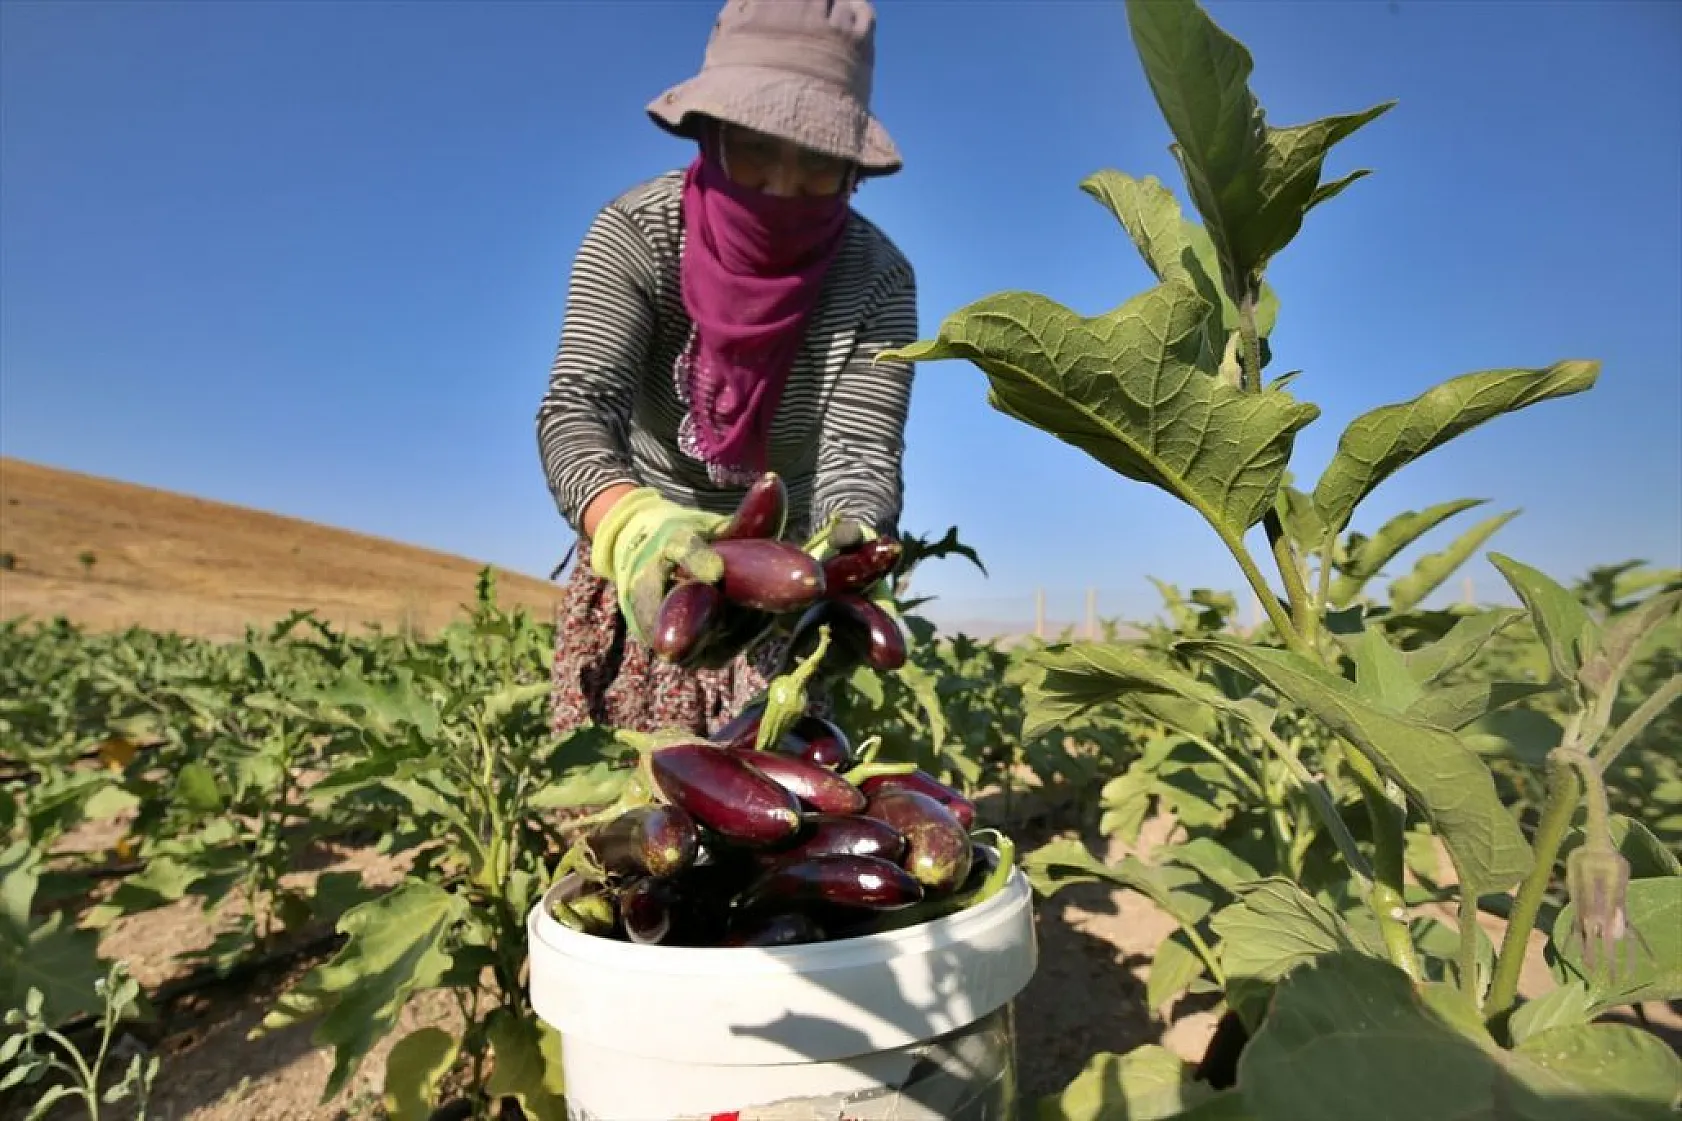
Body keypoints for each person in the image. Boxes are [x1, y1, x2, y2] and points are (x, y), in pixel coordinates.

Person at [536, 0, 917, 740]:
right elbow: (577, 410)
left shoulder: (878, 279)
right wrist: (635, 524)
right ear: (709, 137)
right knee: (620, 813)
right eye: (754, 149)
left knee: (769, 806)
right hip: (644, 563)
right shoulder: (635, 236)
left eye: (816, 163)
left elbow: (859, 452)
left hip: (784, 582)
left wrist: (848, 552)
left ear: (852, 171)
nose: (780, 186)